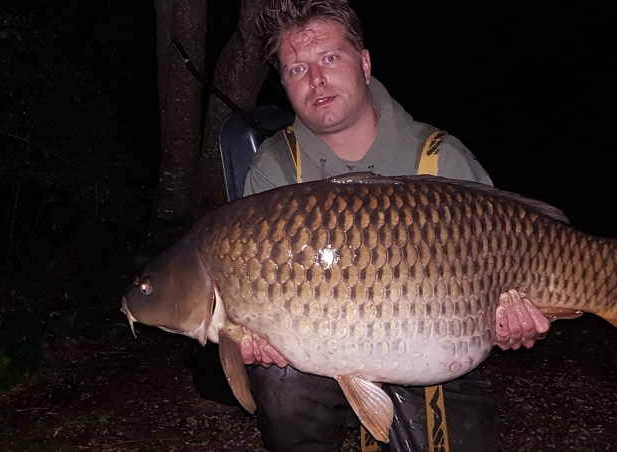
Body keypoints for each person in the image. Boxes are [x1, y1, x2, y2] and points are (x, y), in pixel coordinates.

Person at [235, 1, 552, 450]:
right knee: (280, 379)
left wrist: (512, 322)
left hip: (436, 359)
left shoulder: (440, 157)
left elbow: (508, 270)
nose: (317, 80)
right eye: (296, 69)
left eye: (329, 58)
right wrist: (261, 337)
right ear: (284, 84)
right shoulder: (274, 169)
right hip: (322, 365)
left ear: (364, 63)